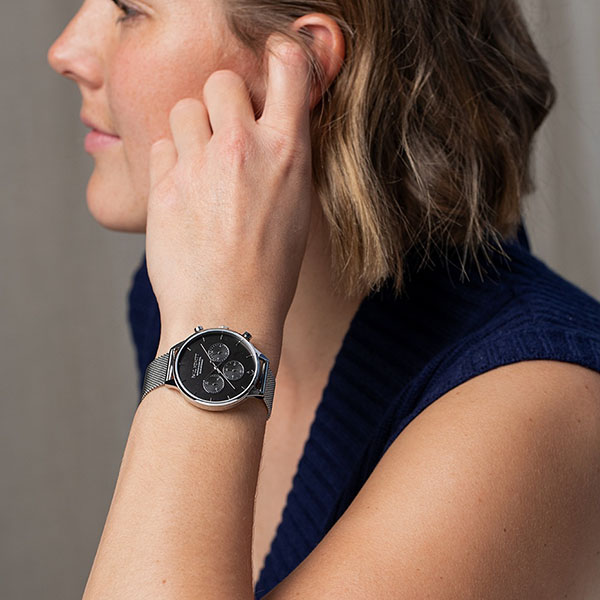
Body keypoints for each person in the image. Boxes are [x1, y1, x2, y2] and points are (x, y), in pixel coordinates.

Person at [47, 0, 600, 598]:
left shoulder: (526, 412)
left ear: (303, 63)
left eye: (128, 8)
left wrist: (213, 324)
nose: (64, 52)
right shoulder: (179, 294)